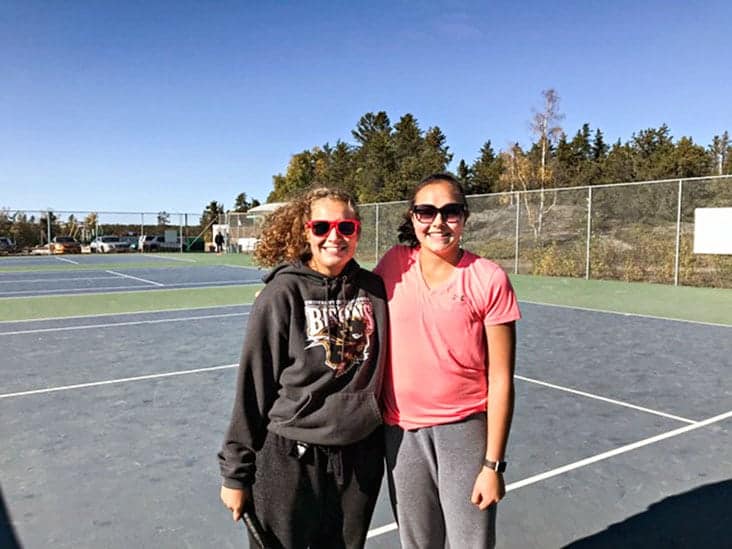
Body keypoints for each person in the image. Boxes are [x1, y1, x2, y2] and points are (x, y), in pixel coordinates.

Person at [218, 187, 388, 549]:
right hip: (290, 458)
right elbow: (253, 384)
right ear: (306, 231)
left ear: (357, 230)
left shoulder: (375, 290)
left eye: (346, 227)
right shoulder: (281, 295)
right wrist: (235, 473)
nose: (334, 237)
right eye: (322, 226)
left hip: (358, 458)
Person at [374, 173, 521, 549]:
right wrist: (286, 289)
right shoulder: (393, 265)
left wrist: (492, 465)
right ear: (412, 218)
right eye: (426, 211)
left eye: (450, 211)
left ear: (465, 217)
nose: (438, 222)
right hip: (401, 436)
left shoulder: (488, 278)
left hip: (464, 433)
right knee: (417, 544)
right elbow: (344, 289)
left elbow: (502, 378)